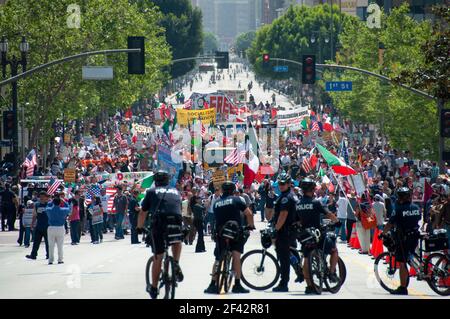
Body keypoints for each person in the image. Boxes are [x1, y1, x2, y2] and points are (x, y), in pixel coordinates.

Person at [137, 170, 184, 299]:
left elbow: (142, 213)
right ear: (168, 180)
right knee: (177, 240)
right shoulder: (175, 191)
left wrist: (139, 228)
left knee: (158, 256)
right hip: (176, 220)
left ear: (156, 181)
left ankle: (153, 287)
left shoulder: (151, 192)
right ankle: (175, 263)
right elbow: (178, 208)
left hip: (160, 223)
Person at [204, 181, 255, 294]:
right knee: (236, 256)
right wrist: (250, 226)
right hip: (235, 231)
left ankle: (212, 284)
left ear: (222, 190)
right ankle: (237, 284)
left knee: (218, 258)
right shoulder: (237, 200)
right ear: (233, 190)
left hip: (221, 233)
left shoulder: (217, 202)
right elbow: (249, 214)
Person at [296, 178, 339, 295]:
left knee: (306, 258)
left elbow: (296, 221)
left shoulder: (298, 204)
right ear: (312, 189)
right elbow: (328, 214)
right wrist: (336, 221)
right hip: (318, 234)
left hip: (304, 235)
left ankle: (309, 286)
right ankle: (331, 273)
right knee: (334, 251)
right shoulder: (316, 202)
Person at [381, 187, 421, 295]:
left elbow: (390, 223)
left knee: (402, 263)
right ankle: (421, 270)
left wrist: (383, 233)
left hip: (404, 239)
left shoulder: (398, 209)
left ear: (400, 197)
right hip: (415, 236)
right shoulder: (416, 207)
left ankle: (403, 288)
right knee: (412, 256)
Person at [271, 172, 299, 292]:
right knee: (292, 253)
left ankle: (284, 283)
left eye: (283, 184)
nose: (281, 185)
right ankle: (301, 272)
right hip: (291, 230)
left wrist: (276, 230)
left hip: (285, 231)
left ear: (289, 184)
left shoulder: (286, 198)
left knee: (284, 258)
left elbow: (283, 215)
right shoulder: (288, 195)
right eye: (280, 184)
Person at [45, 196, 70, 264]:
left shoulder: (49, 210)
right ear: (60, 203)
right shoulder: (63, 210)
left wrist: (51, 201)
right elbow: (69, 208)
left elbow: (46, 206)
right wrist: (64, 201)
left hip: (51, 228)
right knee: (60, 245)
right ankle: (60, 259)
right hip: (60, 228)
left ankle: (50, 260)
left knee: (51, 245)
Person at [26, 191, 50, 260]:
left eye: (43, 197)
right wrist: (32, 224)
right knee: (36, 242)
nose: (42, 198)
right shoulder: (37, 205)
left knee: (48, 242)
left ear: (46, 197)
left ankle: (48, 255)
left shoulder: (49, 205)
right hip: (39, 226)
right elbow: (34, 215)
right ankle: (33, 255)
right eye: (41, 197)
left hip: (47, 226)